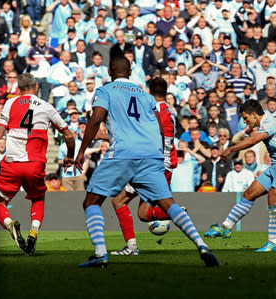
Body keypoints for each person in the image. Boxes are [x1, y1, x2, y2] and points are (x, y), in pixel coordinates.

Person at [69, 57, 218, 268]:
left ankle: (101, 254)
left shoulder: (105, 90)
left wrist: (81, 151)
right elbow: (158, 127)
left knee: (91, 202)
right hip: (151, 154)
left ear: (111, 72)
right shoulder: (147, 97)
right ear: (130, 72)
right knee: (168, 203)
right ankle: (202, 245)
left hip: (123, 151)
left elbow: (95, 119)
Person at [0, 73, 75, 256]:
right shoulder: (46, 106)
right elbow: (69, 135)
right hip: (35, 164)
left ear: (18, 88)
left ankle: (9, 223)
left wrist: (1, 124)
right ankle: (34, 231)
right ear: (36, 86)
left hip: (12, 163)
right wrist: (69, 156)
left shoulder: (10, 104)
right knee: (38, 198)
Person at [204, 100, 276, 252]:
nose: (245, 121)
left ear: (254, 114)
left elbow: (253, 140)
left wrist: (230, 150)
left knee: (273, 198)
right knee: (249, 194)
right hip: (275, 166)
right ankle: (226, 227)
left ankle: (273, 242)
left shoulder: (269, 122)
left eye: (245, 118)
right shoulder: (265, 121)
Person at [110, 77, 178, 256]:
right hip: (166, 164)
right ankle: (172, 212)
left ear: (149, 91)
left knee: (118, 201)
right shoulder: (170, 111)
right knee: (143, 213)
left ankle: (131, 247)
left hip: (152, 165)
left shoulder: (153, 111)